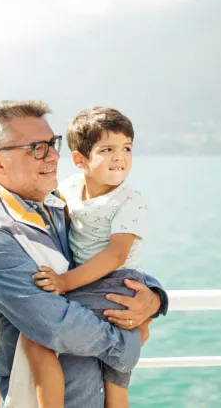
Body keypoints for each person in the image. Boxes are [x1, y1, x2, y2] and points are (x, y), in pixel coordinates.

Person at [0, 100, 168, 408]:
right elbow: (55, 324)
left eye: (52, 143)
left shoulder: (57, 203)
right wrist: (127, 342)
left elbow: (101, 257)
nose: (52, 156)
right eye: (36, 148)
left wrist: (153, 298)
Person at [30, 106, 149, 408]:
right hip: (89, 282)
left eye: (126, 148)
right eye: (107, 149)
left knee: (39, 337)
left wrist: (64, 282)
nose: (120, 157)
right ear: (80, 160)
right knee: (112, 376)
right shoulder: (69, 188)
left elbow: (116, 255)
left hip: (116, 283)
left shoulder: (129, 201)